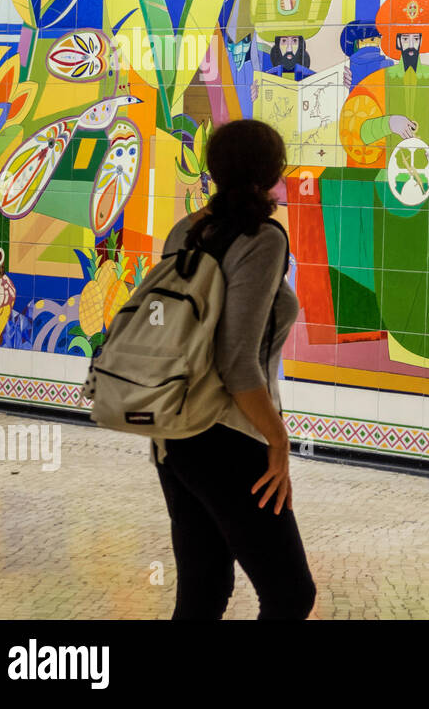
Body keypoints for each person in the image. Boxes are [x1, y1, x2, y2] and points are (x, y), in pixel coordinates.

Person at [155, 118, 315, 620]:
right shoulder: (264, 238)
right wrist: (278, 440)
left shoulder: (187, 229)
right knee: (290, 593)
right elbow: (237, 361)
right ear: (272, 174)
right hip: (225, 436)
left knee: (204, 591)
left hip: (172, 433)